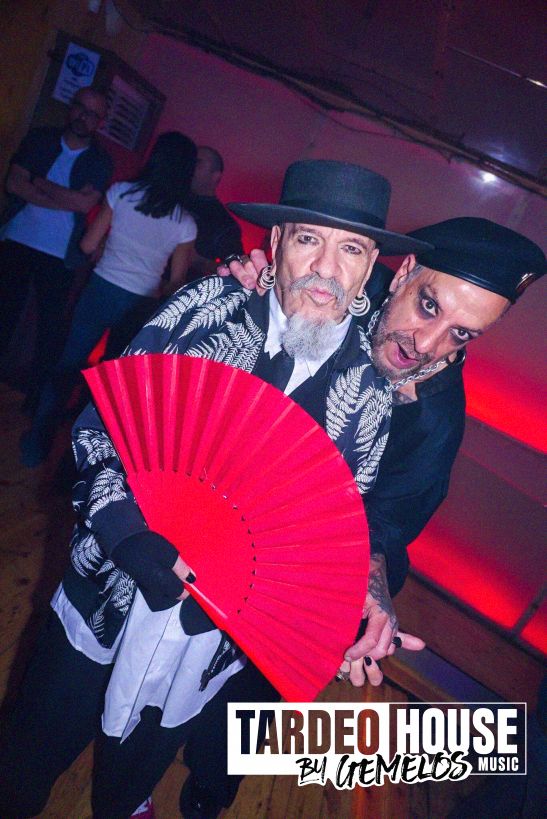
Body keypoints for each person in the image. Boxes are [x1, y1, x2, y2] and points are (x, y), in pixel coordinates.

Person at [0, 159, 430, 819]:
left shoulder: (371, 397)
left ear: (370, 264)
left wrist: (351, 616)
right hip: (105, 590)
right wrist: (124, 532)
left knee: (126, 784)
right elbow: (101, 424)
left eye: (350, 249)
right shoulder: (206, 308)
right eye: (308, 239)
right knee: (25, 762)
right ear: (276, 243)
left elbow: (335, 527)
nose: (326, 267)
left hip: (208, 642)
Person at [172, 214, 545, 818]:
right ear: (402, 273)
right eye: (428, 305)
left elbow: (386, 524)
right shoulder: (340, 285)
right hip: (219, 520)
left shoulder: (437, 422)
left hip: (310, 567)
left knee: (254, 695)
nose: (427, 344)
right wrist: (247, 284)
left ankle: (207, 791)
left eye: (461, 335)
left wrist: (370, 591)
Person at [19, 131, 198, 467]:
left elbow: (87, 245)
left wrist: (106, 251)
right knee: (112, 384)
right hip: (140, 305)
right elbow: (176, 282)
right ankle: (81, 461)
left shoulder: (121, 193)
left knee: (68, 365)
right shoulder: (185, 223)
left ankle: (36, 446)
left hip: (101, 289)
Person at [0, 87, 113, 402]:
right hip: (17, 238)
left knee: (49, 329)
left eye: (92, 114)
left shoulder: (100, 160)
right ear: (71, 107)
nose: (83, 117)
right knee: (4, 313)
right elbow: (13, 184)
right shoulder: (40, 138)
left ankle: (34, 397)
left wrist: (38, 182)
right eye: (80, 108)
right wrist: (65, 198)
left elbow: (83, 204)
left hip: (60, 253)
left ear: (100, 122)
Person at [185, 145, 243, 281]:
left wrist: (197, 260)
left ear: (215, 176)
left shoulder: (224, 223)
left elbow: (235, 271)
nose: (190, 167)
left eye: (198, 164)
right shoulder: (169, 199)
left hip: (180, 290)